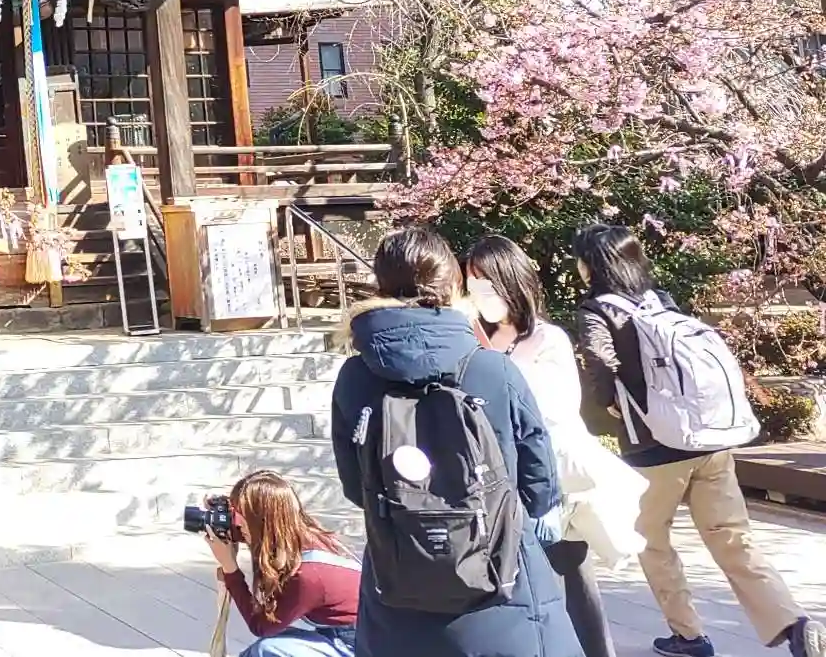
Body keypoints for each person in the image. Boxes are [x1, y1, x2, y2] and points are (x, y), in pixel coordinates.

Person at [331, 226, 582, 657]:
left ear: (380, 284)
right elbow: (539, 475)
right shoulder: (492, 369)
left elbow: (355, 486)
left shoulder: (355, 377)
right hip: (501, 573)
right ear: (452, 283)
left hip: (398, 577)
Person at [575, 224, 824, 657]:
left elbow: (600, 358)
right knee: (733, 537)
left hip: (654, 448)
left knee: (651, 539)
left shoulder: (598, 309)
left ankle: (688, 636)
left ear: (592, 265)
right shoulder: (660, 300)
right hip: (709, 440)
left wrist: (610, 401)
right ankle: (794, 624)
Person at [465, 235, 645, 657]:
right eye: (472, 283)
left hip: (548, 476)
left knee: (572, 578)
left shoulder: (548, 339)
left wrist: (497, 373)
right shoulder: (470, 338)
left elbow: (557, 409)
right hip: (494, 476)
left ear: (511, 281)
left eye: (487, 282)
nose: (479, 293)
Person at [201, 469, 359, 657]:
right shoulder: (298, 535)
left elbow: (261, 625)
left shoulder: (307, 575)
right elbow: (256, 534)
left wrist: (230, 568)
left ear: (261, 521)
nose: (238, 525)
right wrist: (222, 516)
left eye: (240, 519)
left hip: (359, 646)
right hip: (347, 634)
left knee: (265, 650)